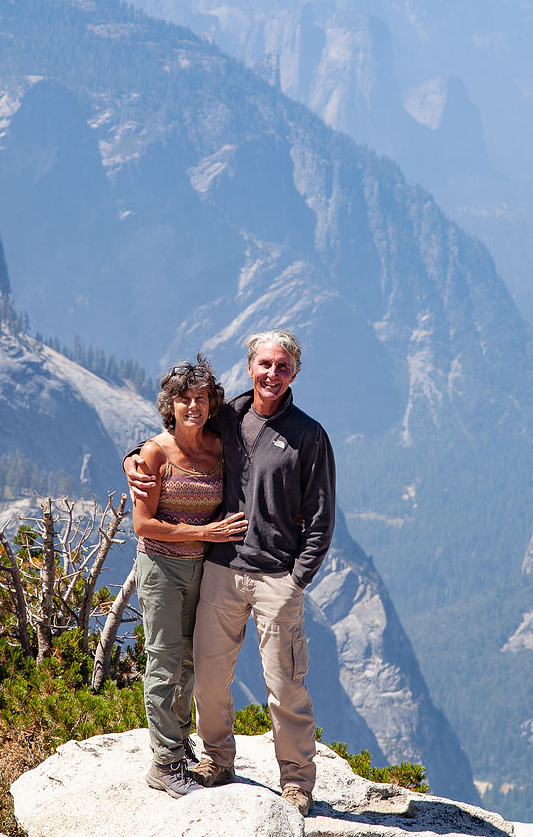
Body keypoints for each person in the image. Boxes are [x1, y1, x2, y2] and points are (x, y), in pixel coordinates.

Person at [127, 329, 335, 817]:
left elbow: (322, 516)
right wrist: (133, 458)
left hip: (275, 578)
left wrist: (297, 578)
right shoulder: (230, 416)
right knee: (209, 679)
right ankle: (217, 762)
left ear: (295, 373)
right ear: (249, 367)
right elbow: (177, 429)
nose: (272, 374)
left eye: (282, 367)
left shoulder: (309, 436)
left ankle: (297, 784)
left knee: (285, 685)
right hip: (219, 570)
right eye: (265, 364)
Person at [130, 355, 249, 798]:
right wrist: (205, 531)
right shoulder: (155, 452)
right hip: (161, 568)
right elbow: (142, 525)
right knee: (163, 660)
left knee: (189, 661)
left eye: (201, 398)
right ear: (171, 405)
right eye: (184, 399)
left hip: (202, 568)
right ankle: (164, 763)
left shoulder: (218, 447)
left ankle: (180, 746)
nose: (193, 406)